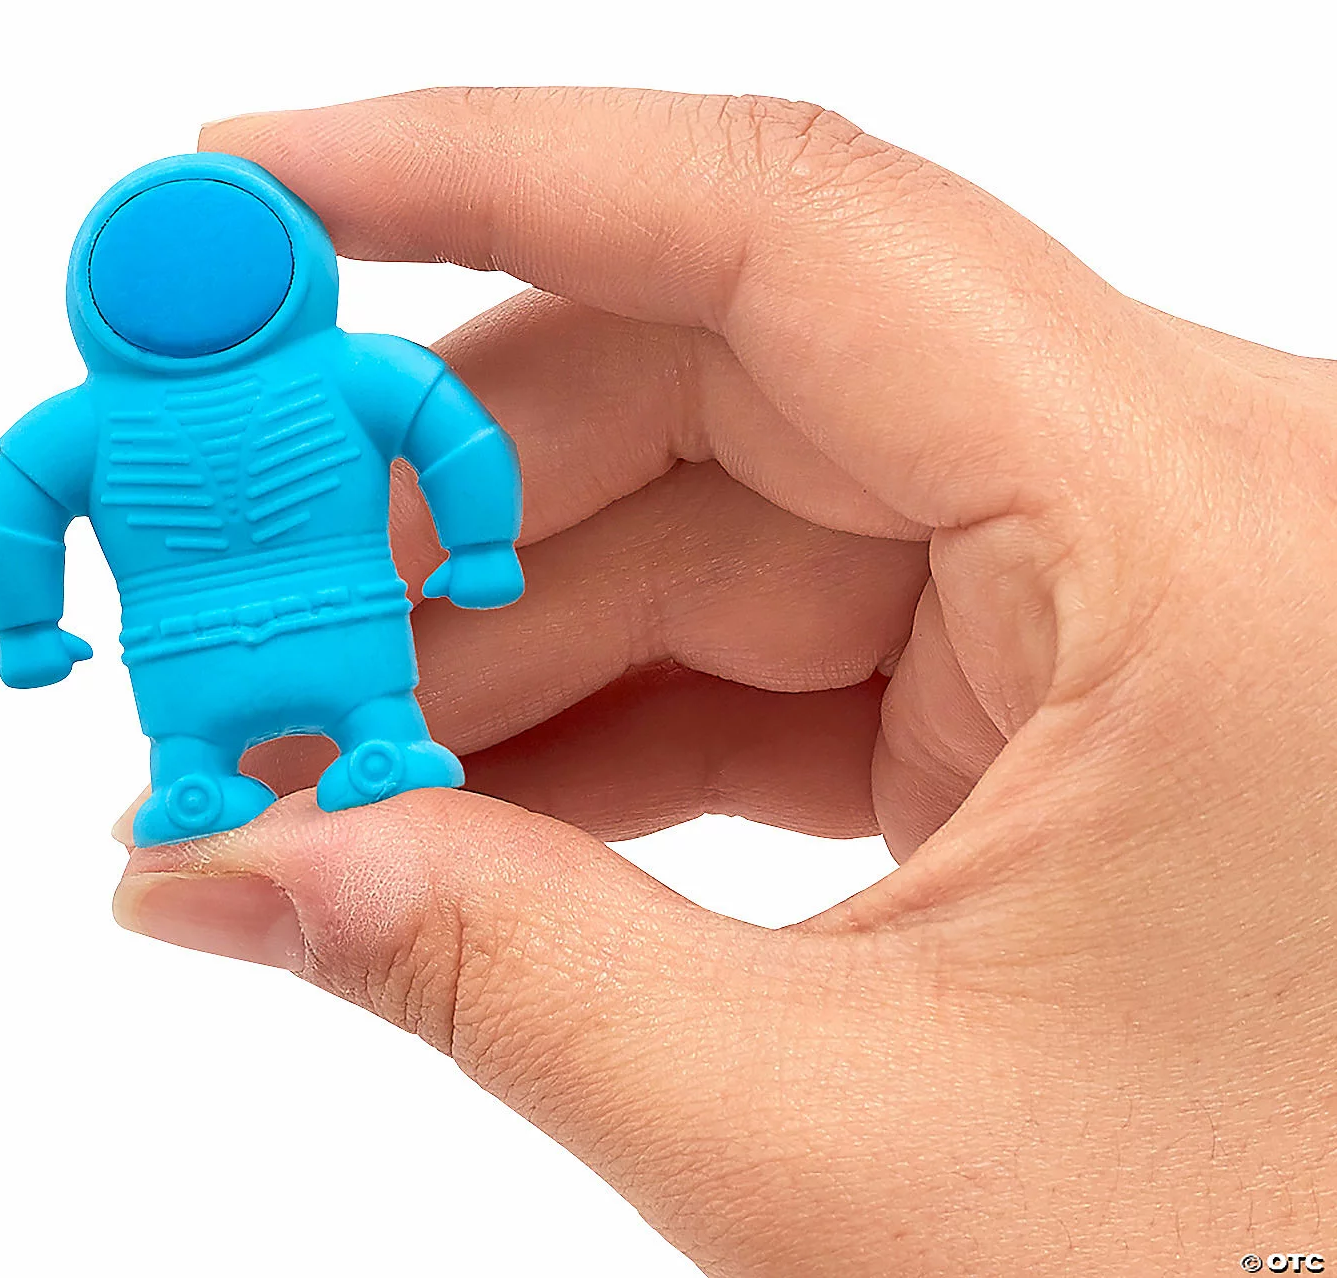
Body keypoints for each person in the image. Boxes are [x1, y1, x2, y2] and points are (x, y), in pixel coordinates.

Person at [113, 87, 1337, 1273]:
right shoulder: (185, 407)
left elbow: (451, 437)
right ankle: (213, 773)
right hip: (205, 647)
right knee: (229, 734)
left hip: (332, 631)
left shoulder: (330, 382)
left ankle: (318, 752)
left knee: (358, 715)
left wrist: (480, 541)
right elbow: (43, 503)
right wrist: (29, 621)